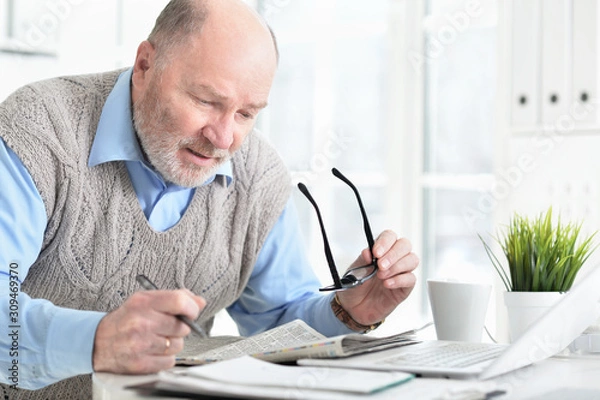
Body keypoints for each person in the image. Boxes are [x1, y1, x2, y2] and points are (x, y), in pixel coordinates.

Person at [0, 0, 419, 398]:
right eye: (206, 101)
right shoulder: (38, 133)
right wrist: (96, 342)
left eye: (246, 114)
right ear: (145, 65)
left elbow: (278, 321)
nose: (223, 138)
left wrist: (347, 311)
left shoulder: (258, 177)